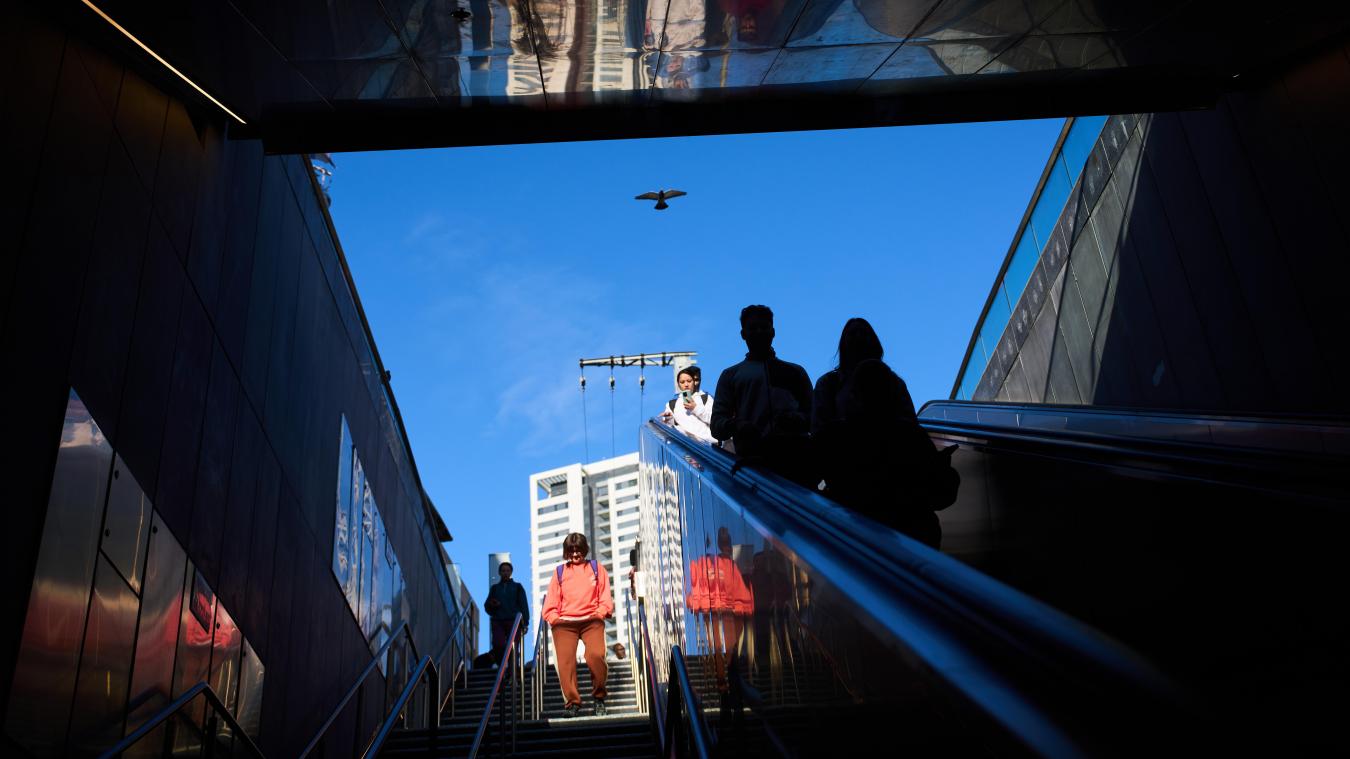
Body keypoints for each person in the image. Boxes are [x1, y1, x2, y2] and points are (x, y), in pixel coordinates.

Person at [812, 317, 955, 548]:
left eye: (863, 332)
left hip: (864, 506)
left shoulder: (892, 404)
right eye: (853, 333)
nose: (858, 337)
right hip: (900, 510)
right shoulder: (832, 387)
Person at [710, 305, 814, 484]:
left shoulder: (795, 372)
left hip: (793, 458)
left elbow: (814, 417)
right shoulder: (731, 375)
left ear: (773, 331)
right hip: (756, 463)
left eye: (764, 327)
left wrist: (797, 420)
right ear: (743, 334)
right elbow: (716, 425)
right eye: (753, 328)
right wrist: (738, 425)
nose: (759, 332)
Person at [542, 533, 615, 717]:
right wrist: (555, 619)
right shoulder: (559, 572)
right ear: (566, 552)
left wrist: (600, 613)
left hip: (592, 620)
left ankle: (599, 698)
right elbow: (550, 604)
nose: (576, 554)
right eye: (571, 550)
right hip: (565, 623)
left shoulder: (596, 568)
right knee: (565, 663)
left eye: (579, 550)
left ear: (585, 550)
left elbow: (605, 596)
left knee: (596, 656)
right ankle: (573, 703)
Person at [686, 527, 754, 692]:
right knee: (722, 646)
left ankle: (725, 680)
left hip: (724, 611)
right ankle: (724, 681)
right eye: (725, 543)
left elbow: (738, 590)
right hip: (720, 612)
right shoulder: (721, 565)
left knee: (724, 647)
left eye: (727, 543)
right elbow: (740, 591)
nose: (727, 547)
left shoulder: (724, 564)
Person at [483, 561, 529, 667]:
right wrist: (492, 604)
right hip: (498, 620)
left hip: (514, 620)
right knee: (498, 644)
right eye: (503, 571)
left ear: (511, 572)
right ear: (499, 572)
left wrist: (525, 622)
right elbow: (487, 606)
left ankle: (513, 672)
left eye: (507, 571)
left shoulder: (518, 587)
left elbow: (524, 605)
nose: (505, 573)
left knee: (513, 646)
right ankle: (502, 668)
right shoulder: (495, 588)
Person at [660, 365, 716, 442]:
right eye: (682, 382)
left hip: (709, 446)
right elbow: (671, 426)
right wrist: (669, 419)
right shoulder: (672, 404)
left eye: (689, 381)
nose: (686, 385)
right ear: (678, 384)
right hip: (687, 446)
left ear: (694, 382)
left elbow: (715, 420)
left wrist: (695, 408)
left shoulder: (705, 398)